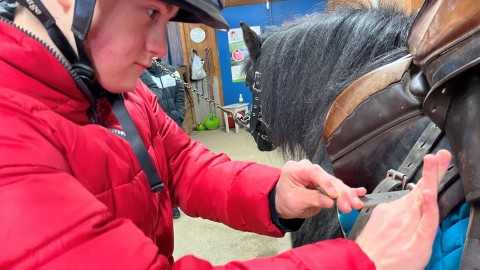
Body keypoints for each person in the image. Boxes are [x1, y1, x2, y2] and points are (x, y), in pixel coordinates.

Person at [0, 0, 451, 269]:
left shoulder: (122, 96)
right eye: (151, 11)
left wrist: (275, 194)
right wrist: (357, 261)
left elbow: (180, 165)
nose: (160, 47)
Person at [140, 59, 186, 219]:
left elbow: (180, 94)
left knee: (180, 161)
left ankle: (182, 196)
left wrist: (180, 114)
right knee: (160, 165)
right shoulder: (141, 74)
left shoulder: (172, 71)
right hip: (155, 127)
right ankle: (171, 205)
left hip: (175, 122)